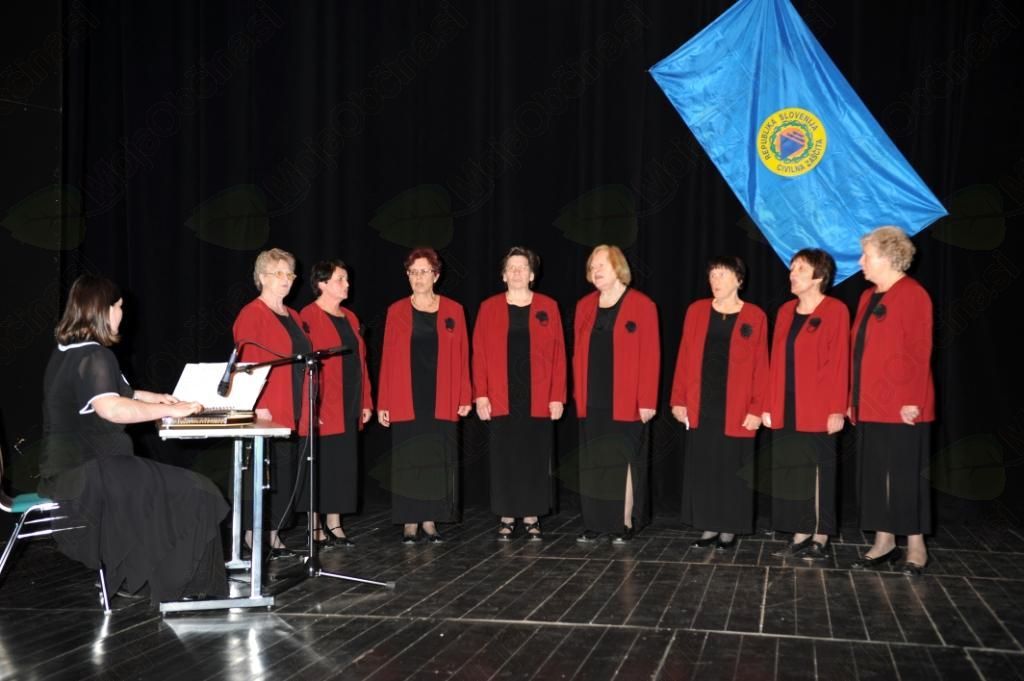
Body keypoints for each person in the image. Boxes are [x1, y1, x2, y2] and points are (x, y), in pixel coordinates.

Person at [38, 274, 228, 604]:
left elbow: (113, 392)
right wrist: (173, 410)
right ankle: (177, 584)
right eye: (119, 306)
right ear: (104, 309)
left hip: (70, 474)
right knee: (200, 491)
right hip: (92, 476)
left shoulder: (68, 352)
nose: (122, 314)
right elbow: (111, 407)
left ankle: (136, 575)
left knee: (177, 490)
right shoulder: (95, 356)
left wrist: (156, 398)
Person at [848, 226, 934, 575]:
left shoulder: (913, 294)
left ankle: (916, 546)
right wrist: (852, 399)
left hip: (903, 405)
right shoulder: (866, 297)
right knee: (875, 474)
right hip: (870, 403)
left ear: (886, 257)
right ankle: (883, 542)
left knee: (904, 475)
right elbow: (858, 353)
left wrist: (912, 399)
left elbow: (918, 350)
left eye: (866, 255)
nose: (860, 261)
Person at [672, 256, 768, 549]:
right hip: (702, 403)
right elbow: (684, 355)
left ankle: (730, 527)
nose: (715, 281)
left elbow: (762, 366)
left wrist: (757, 408)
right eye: (712, 275)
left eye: (722, 275)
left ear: (739, 280)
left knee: (732, 467)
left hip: (737, 406)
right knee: (705, 466)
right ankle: (708, 525)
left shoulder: (755, 315)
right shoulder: (696, 310)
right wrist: (678, 399)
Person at [378, 248, 471, 543]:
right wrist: (384, 402)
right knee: (408, 455)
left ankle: (430, 519)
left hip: (442, 393)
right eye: (413, 272)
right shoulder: (396, 311)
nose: (418, 277)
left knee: (436, 454)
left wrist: (464, 395)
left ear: (436, 275)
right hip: (406, 393)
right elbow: (387, 358)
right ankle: (409, 520)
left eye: (424, 272)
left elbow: (463, 355)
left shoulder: (454, 310)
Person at [472, 247, 566, 540]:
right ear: (503, 275)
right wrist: (481, 394)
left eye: (522, 267)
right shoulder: (488, 307)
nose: (516, 272)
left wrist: (557, 396)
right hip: (501, 394)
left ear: (532, 274)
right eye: (511, 267)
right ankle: (507, 514)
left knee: (534, 455)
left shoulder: (548, 306)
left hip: (538, 395)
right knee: (505, 456)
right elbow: (479, 354)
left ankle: (532, 515)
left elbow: (559, 354)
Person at [762, 249, 849, 560]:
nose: (792, 274)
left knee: (819, 471)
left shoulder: (836, 310)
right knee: (795, 471)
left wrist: (837, 408)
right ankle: (800, 532)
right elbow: (775, 361)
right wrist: (769, 404)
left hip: (819, 405)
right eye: (792, 268)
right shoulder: (785, 311)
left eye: (799, 268)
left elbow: (840, 362)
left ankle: (821, 535)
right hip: (786, 403)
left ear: (818, 276)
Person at [572, 245, 659, 544]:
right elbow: (577, 354)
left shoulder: (642, 304)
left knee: (623, 460)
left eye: (602, 265)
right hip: (592, 397)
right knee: (595, 460)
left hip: (628, 399)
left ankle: (624, 521)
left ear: (618, 267)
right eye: (592, 266)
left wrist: (647, 400)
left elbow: (651, 356)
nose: (595, 271)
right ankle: (595, 523)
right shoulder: (584, 306)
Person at [232, 247, 311, 555]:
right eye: (279, 273)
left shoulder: (294, 315)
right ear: (262, 277)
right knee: (264, 471)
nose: (286, 279)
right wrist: (258, 404)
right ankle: (253, 535)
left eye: (290, 273)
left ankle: (274, 533)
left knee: (284, 472)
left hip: (293, 402)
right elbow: (247, 362)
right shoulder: (252, 313)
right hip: (267, 405)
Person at [299, 260, 373, 547]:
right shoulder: (308, 315)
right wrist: (311, 405)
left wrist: (366, 400)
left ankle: (335, 523)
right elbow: (304, 366)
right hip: (324, 402)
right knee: (321, 464)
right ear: (322, 284)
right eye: (341, 279)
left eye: (346, 279)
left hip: (349, 401)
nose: (347, 284)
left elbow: (362, 361)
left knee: (342, 464)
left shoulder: (350, 317)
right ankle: (314, 526)